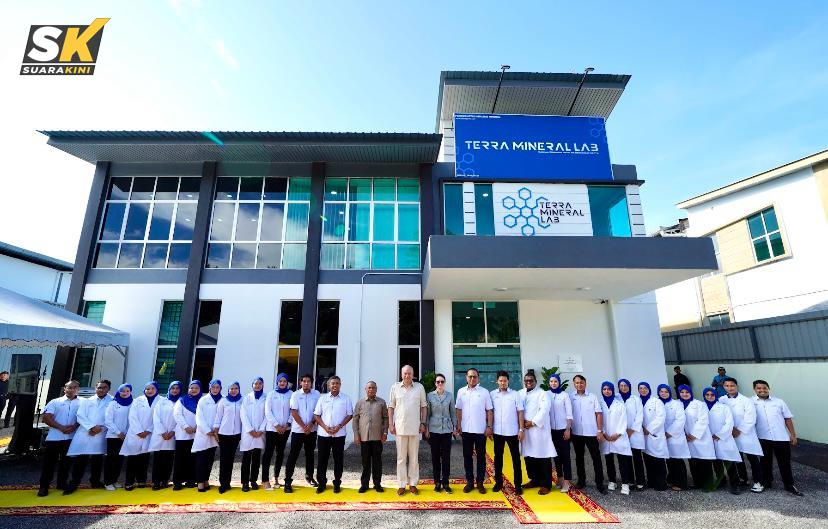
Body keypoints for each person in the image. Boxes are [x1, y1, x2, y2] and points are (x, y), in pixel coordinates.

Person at [753, 379, 803, 496]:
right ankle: (767, 482)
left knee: (784, 462)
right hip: (762, 437)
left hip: (781, 438)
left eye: (764, 388)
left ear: (768, 389)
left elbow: (788, 418)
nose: (762, 390)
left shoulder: (779, 402)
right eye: (759, 388)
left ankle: (789, 484)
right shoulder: (750, 402)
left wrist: (793, 435)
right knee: (765, 462)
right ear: (754, 389)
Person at [63, 379, 113, 494]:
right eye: (99, 387)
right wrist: (91, 427)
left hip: (101, 433)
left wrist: (99, 429)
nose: (100, 390)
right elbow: (80, 415)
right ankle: (74, 483)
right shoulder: (87, 401)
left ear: (108, 389)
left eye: (104, 388)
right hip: (85, 432)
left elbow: (112, 418)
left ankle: (95, 482)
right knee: (81, 460)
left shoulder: (112, 401)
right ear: (95, 388)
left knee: (97, 460)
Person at [388, 365, 428, 496]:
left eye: (409, 373)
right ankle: (401, 484)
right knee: (401, 458)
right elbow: (391, 406)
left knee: (414, 458)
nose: (407, 375)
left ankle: (413, 483)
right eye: (405, 373)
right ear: (401, 374)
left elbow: (424, 406)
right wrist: (390, 424)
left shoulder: (419, 387)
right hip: (400, 428)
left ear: (413, 374)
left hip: (415, 427)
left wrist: (423, 423)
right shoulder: (395, 387)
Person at [720, 377, 764, 492]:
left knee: (752, 459)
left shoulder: (746, 400)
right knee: (738, 458)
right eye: (727, 386)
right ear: (724, 387)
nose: (730, 388)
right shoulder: (721, 400)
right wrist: (730, 430)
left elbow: (751, 418)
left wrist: (739, 430)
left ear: (737, 386)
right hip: (730, 434)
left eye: (732, 385)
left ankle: (758, 482)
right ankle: (743, 479)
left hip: (746, 434)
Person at [37, 380, 81, 496]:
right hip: (54, 438)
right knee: (49, 464)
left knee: (66, 463)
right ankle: (44, 487)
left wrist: (74, 427)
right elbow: (46, 418)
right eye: (69, 387)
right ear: (64, 389)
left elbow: (83, 418)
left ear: (78, 389)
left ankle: (61, 483)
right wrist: (61, 428)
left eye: (74, 387)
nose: (72, 389)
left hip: (71, 438)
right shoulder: (55, 402)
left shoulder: (82, 402)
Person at [313, 375, 353, 493]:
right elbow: (316, 415)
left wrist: (339, 426)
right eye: (333, 383)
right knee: (322, 460)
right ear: (328, 385)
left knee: (338, 460)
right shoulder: (322, 398)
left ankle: (337, 483)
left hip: (339, 435)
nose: (335, 385)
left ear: (340, 385)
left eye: (337, 383)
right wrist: (325, 427)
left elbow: (349, 415)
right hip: (323, 435)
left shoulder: (346, 399)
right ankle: (322, 483)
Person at [456, 368, 493, 494]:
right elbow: (459, 409)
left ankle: (480, 482)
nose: (472, 379)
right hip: (466, 430)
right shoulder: (461, 392)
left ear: (478, 378)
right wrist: (459, 424)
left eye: (475, 376)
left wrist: (489, 426)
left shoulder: (484, 392)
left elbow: (489, 410)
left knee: (481, 457)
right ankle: (470, 482)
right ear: (466, 378)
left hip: (480, 431)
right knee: (467, 457)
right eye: (470, 376)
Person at [283, 373, 321, 493]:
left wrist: (310, 425)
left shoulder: (316, 394)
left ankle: (309, 477)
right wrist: (304, 427)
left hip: (312, 430)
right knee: (293, 455)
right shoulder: (295, 394)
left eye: (308, 381)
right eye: (304, 381)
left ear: (311, 383)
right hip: (298, 431)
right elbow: (294, 412)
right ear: (300, 382)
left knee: (310, 454)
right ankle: (288, 481)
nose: (306, 383)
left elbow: (318, 411)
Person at [519, 370, 555, 495]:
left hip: (539, 430)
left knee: (542, 457)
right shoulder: (520, 393)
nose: (528, 382)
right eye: (526, 381)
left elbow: (544, 410)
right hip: (526, 431)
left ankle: (546, 484)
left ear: (535, 381)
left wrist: (533, 422)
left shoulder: (542, 393)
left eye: (531, 380)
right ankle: (534, 480)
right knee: (529, 457)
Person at [570, 374, 606, 493]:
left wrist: (599, 431)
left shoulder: (592, 396)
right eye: (577, 383)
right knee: (579, 458)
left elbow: (599, 414)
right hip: (576, 433)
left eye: (581, 382)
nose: (579, 385)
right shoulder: (570, 396)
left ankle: (600, 483)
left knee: (596, 458)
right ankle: (581, 481)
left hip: (591, 433)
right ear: (574, 384)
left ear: (585, 383)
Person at [120, 381, 159, 490]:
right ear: (144, 390)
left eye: (152, 388)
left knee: (144, 459)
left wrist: (148, 430)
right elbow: (132, 417)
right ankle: (129, 482)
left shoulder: (160, 401)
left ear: (156, 390)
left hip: (149, 434)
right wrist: (139, 431)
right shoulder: (137, 401)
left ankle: (142, 480)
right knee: (132, 459)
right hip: (135, 433)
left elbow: (158, 418)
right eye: (147, 389)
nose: (150, 391)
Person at [490, 370, 524, 494]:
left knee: (516, 459)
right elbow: (490, 412)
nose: (503, 383)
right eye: (500, 381)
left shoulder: (515, 394)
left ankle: (518, 485)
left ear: (508, 381)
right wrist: (489, 427)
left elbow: (520, 412)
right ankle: (498, 483)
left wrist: (521, 429)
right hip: (497, 432)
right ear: (497, 381)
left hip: (512, 432)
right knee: (498, 458)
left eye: (505, 380)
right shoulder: (492, 394)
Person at [703, 387, 741, 495]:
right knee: (716, 462)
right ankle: (721, 481)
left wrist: (719, 435)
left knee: (729, 462)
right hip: (709, 439)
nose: (710, 396)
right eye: (707, 395)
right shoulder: (701, 407)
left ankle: (735, 484)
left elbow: (729, 423)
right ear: (704, 396)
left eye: (712, 395)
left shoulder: (724, 407)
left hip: (724, 438)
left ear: (716, 395)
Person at [353, 380, 388, 493]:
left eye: (373, 388)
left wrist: (385, 433)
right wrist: (356, 434)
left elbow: (386, 418)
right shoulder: (360, 403)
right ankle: (364, 484)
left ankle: (377, 484)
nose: (371, 389)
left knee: (377, 462)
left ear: (376, 389)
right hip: (364, 438)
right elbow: (355, 419)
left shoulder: (381, 402)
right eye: (369, 388)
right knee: (365, 462)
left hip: (377, 437)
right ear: (365, 389)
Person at [678, 385, 715, 489]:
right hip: (687, 437)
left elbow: (703, 420)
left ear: (691, 393)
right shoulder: (678, 404)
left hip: (701, 437)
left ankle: (708, 484)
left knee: (704, 461)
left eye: (687, 392)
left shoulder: (699, 404)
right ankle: (697, 483)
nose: (684, 394)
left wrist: (694, 435)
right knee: (693, 461)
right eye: (682, 392)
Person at [600, 381, 633, 495]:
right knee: (609, 460)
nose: (607, 391)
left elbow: (624, 420)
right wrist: (604, 433)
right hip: (606, 437)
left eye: (609, 389)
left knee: (622, 461)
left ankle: (625, 484)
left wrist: (618, 434)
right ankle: (612, 481)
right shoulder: (600, 403)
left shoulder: (620, 404)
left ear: (613, 390)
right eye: (604, 389)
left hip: (619, 437)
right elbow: (598, 419)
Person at [425, 372, 455, 493]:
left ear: (444, 383)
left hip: (447, 430)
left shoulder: (450, 396)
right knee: (435, 457)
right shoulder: (430, 396)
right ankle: (437, 482)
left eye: (442, 381)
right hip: (434, 430)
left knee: (446, 457)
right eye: (438, 382)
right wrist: (426, 428)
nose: (440, 383)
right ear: (435, 383)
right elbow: (427, 414)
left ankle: (446, 482)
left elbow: (452, 412)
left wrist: (454, 427)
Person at [149, 381, 181, 490]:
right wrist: (162, 432)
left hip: (172, 435)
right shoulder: (161, 401)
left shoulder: (181, 402)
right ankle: (156, 482)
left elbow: (181, 419)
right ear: (169, 389)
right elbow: (156, 417)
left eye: (177, 388)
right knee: (158, 459)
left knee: (169, 460)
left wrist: (173, 432)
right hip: (160, 435)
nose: (175, 390)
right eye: (173, 388)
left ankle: (165, 481)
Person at [263, 373, 292, 490]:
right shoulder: (271, 394)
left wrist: (287, 424)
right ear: (277, 382)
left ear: (287, 382)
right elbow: (267, 411)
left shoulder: (291, 394)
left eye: (284, 381)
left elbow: (293, 410)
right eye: (280, 381)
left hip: (285, 429)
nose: (282, 383)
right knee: (268, 454)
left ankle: (276, 477)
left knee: (280, 453)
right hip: (272, 429)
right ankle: (265, 480)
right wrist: (276, 425)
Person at [658, 384, 690, 491]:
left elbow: (680, 420)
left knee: (677, 460)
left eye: (666, 391)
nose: (664, 393)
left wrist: (669, 433)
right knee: (669, 460)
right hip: (661, 436)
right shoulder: (657, 403)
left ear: (670, 392)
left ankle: (681, 483)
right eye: (661, 391)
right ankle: (671, 479)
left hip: (674, 436)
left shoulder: (676, 404)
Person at [193, 379, 222, 492]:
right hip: (203, 434)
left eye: (217, 387)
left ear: (220, 388)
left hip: (215, 434)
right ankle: (200, 482)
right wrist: (207, 430)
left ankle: (206, 480)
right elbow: (199, 417)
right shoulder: (203, 400)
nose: (215, 389)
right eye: (213, 387)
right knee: (201, 459)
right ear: (210, 388)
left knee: (210, 459)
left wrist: (216, 430)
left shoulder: (223, 400)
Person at [639, 382, 668, 491]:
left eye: (645, 388)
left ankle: (661, 484)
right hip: (643, 435)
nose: (643, 390)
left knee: (658, 460)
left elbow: (661, 417)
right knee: (648, 460)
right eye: (641, 388)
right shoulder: (638, 401)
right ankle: (651, 481)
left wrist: (649, 429)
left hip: (654, 434)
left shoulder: (656, 401)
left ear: (649, 389)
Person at [215, 381, 243, 493]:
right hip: (223, 433)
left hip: (236, 434)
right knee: (224, 459)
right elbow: (218, 417)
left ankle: (228, 483)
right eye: (231, 388)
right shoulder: (223, 401)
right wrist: (216, 430)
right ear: (228, 390)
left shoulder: (242, 400)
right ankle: (223, 484)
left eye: (236, 388)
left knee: (231, 459)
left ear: (239, 389)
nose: (233, 390)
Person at [618, 379, 646, 490]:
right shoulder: (616, 398)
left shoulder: (635, 399)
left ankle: (640, 482)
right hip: (622, 432)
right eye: (621, 386)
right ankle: (629, 480)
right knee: (626, 457)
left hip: (634, 433)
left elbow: (639, 415)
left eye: (625, 385)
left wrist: (632, 429)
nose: (623, 388)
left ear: (629, 387)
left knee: (637, 457)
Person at [172, 380, 200, 490]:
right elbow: (177, 414)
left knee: (192, 458)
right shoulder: (182, 400)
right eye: (191, 388)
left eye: (196, 388)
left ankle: (190, 480)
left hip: (196, 434)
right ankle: (177, 482)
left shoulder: (202, 401)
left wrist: (197, 427)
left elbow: (204, 415)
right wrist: (186, 427)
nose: (193, 390)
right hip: (182, 434)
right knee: (180, 458)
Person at [103, 384, 132, 490]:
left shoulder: (132, 403)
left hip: (125, 436)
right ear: (119, 392)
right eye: (123, 391)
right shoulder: (113, 404)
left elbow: (131, 420)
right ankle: (108, 482)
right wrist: (118, 432)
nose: (125, 393)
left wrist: (126, 433)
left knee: (120, 459)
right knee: (111, 459)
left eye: (127, 391)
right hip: (113, 436)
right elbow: (108, 420)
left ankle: (115, 480)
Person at [240, 377, 267, 492]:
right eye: (255, 383)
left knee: (256, 458)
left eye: (260, 383)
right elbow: (243, 414)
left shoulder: (266, 397)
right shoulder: (247, 398)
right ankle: (245, 482)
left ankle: (253, 480)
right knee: (246, 458)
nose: (258, 385)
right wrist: (250, 430)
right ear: (252, 385)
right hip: (248, 433)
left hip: (260, 432)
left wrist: (261, 430)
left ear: (263, 385)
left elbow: (267, 415)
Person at [547, 373, 573, 492]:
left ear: (559, 382)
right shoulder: (546, 394)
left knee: (565, 456)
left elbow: (569, 414)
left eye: (555, 381)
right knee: (556, 456)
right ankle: (560, 479)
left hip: (563, 430)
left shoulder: (564, 395)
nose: (553, 383)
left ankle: (567, 482)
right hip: (551, 431)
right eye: (551, 381)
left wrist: (568, 429)